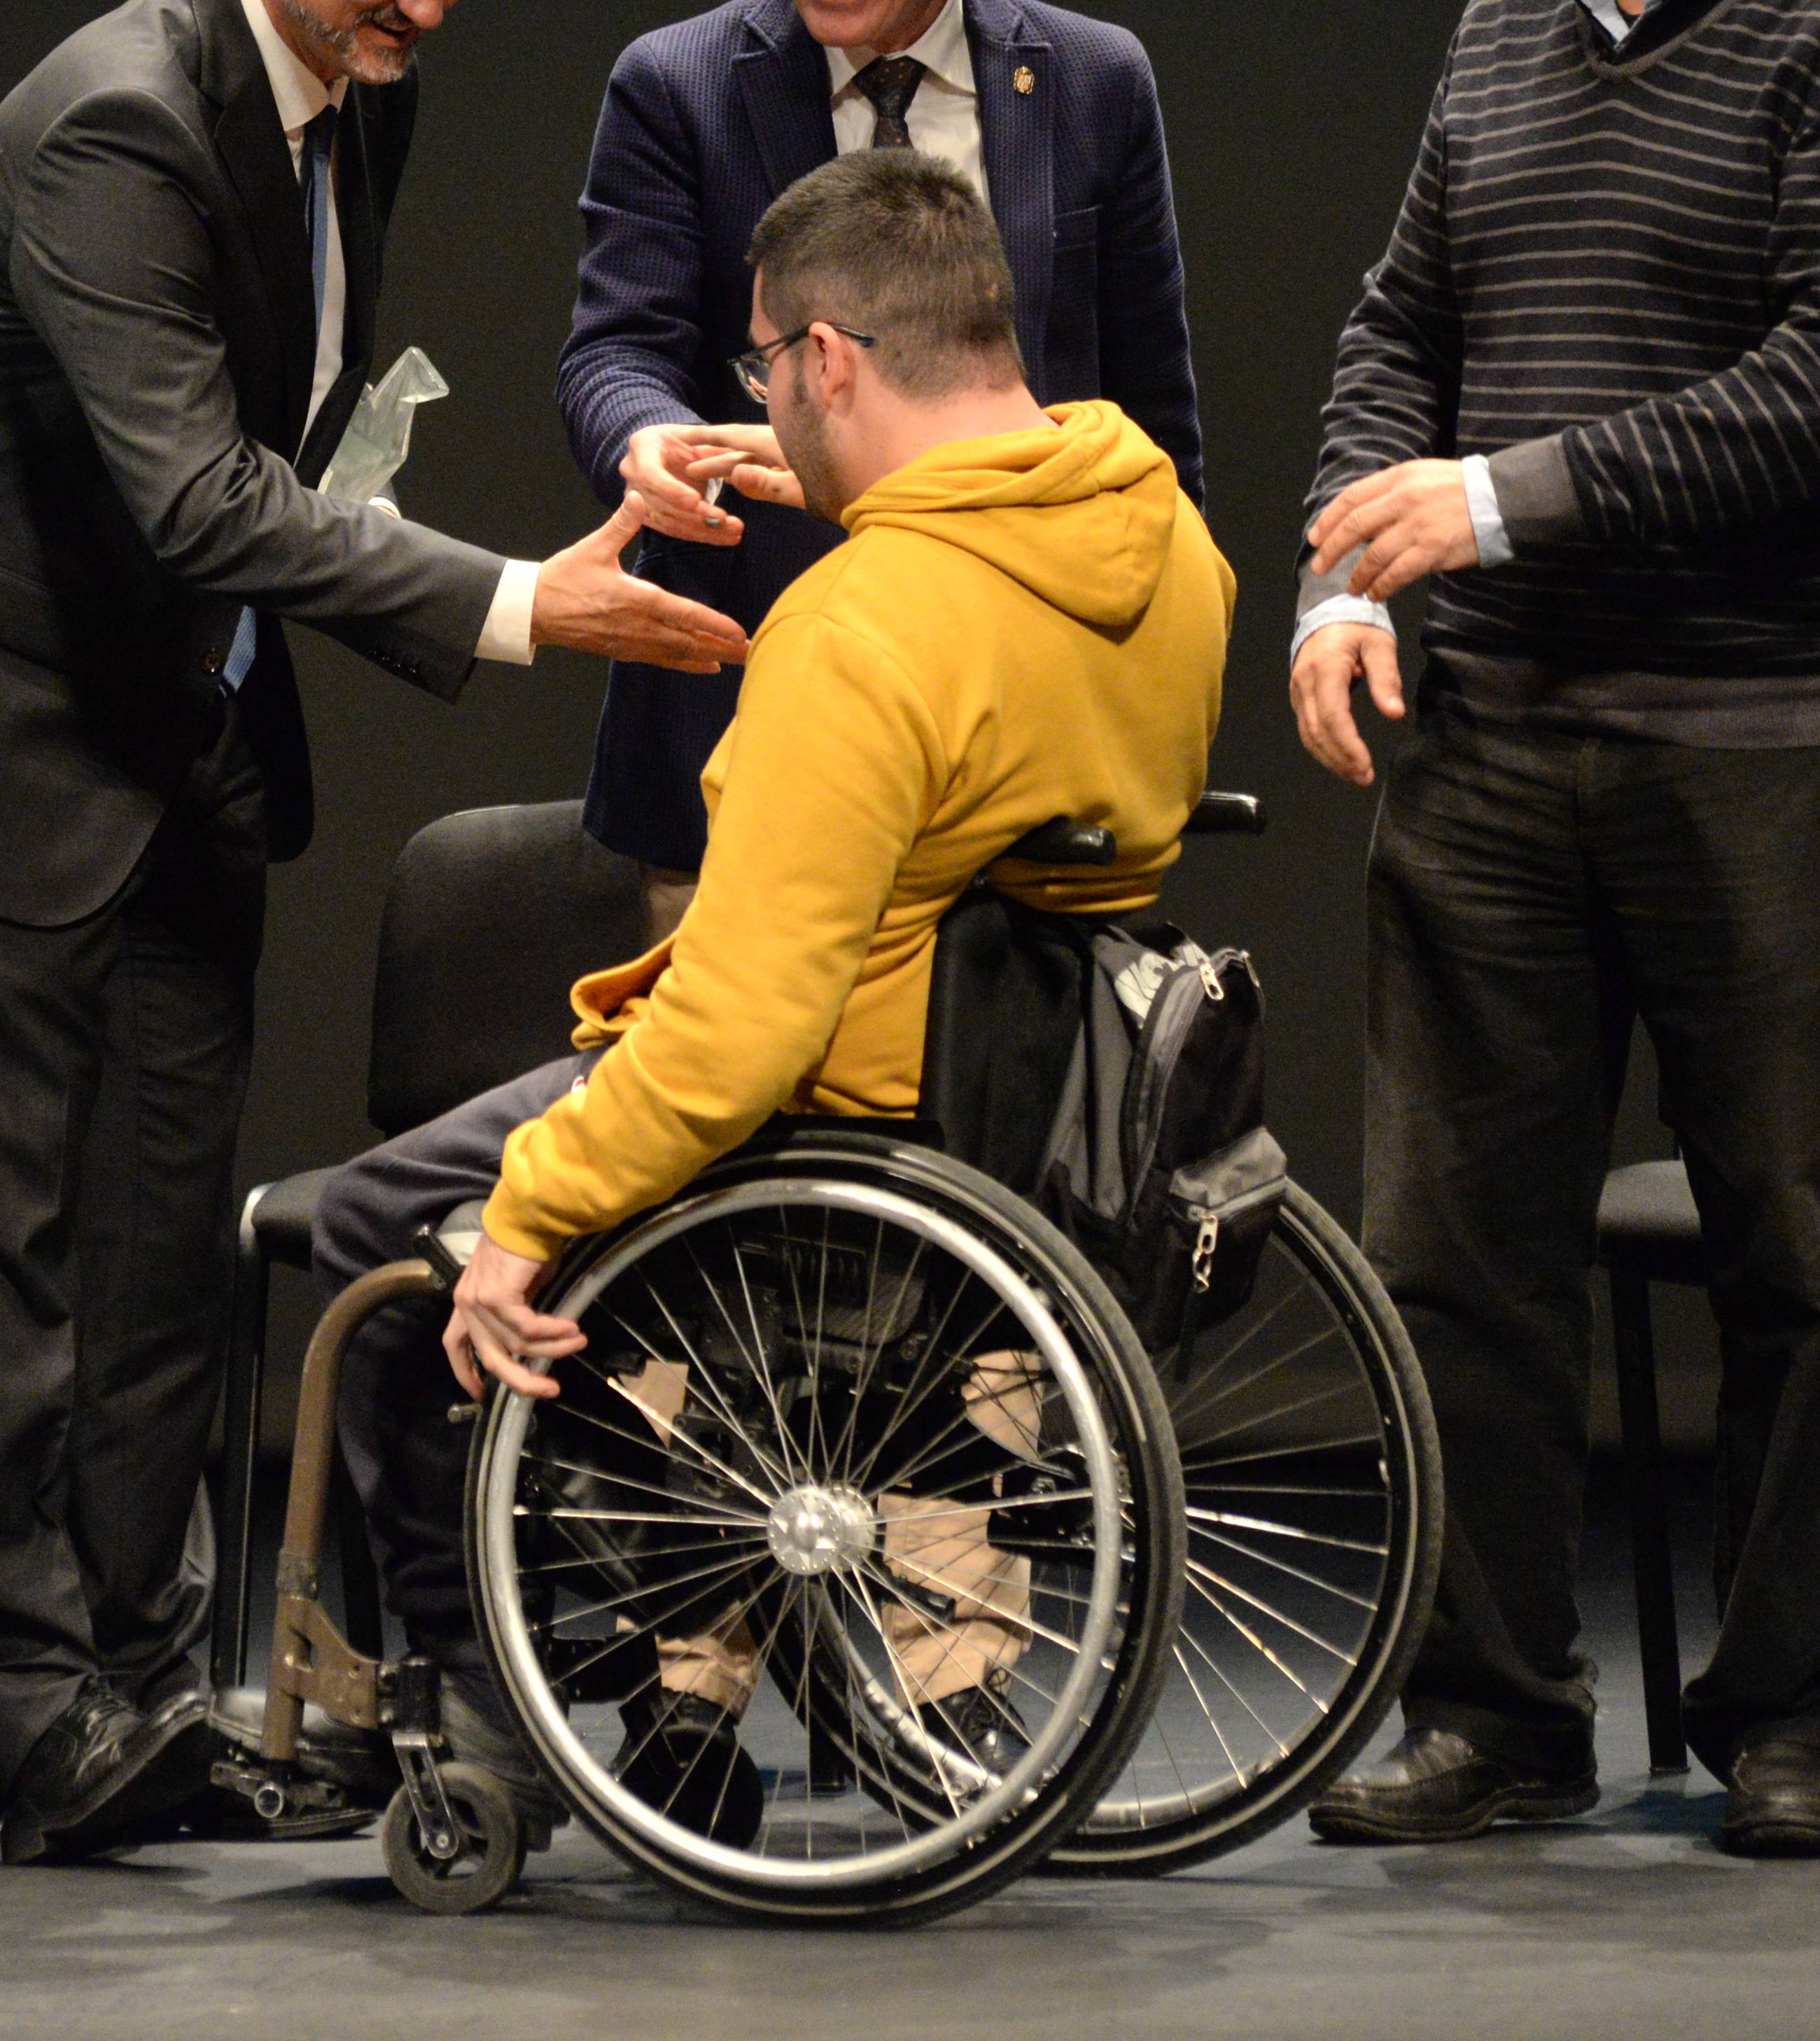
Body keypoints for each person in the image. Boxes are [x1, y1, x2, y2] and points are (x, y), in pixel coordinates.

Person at [0, 0, 752, 1865]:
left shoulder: (340, 91)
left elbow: (278, 453)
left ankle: (144, 1680)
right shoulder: (120, 117)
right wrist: (519, 604)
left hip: (176, 740)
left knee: (157, 1262)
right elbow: (202, 492)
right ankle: (36, 1718)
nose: (435, 3)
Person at [313, 148, 1233, 1834]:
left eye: (760, 365)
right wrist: (850, 495)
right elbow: (991, 658)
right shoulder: (1160, 536)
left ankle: (492, 1728)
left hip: (835, 1105)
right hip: (1027, 1092)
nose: (754, 396)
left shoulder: (857, 629)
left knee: (380, 1236)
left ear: (824, 361)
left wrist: (531, 1211)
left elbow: (737, 1029)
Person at [1290, 0, 1820, 1860]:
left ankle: (1793, 1716)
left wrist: (1496, 501)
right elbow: (1402, 325)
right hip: (1493, 736)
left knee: (1787, 1248)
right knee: (1458, 1251)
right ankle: (1495, 1714)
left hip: (1755, 731)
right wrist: (1346, 566)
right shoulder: (1501, 25)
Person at [560, 0, 1205, 935]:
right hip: (742, 743)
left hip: (1022, 756)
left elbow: (1154, 435)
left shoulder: (1092, 84)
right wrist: (651, 445)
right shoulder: (678, 87)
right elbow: (614, 355)